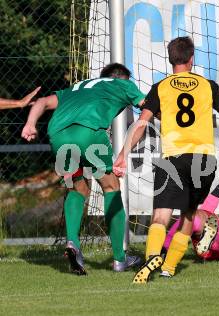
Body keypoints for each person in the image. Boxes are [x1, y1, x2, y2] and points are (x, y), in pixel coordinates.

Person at [112, 36, 219, 283]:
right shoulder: (207, 86)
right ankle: (169, 267)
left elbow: (141, 123)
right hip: (203, 160)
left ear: (171, 60)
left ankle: (151, 258)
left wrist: (123, 154)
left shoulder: (160, 87)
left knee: (160, 215)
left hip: (171, 158)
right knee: (189, 215)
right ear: (192, 59)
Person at [21, 63, 145, 275]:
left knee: (77, 189)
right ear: (121, 78)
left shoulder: (76, 88)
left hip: (59, 137)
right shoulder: (123, 85)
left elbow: (42, 101)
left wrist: (30, 123)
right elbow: (148, 109)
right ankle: (119, 259)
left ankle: (72, 242)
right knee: (110, 186)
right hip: (88, 135)